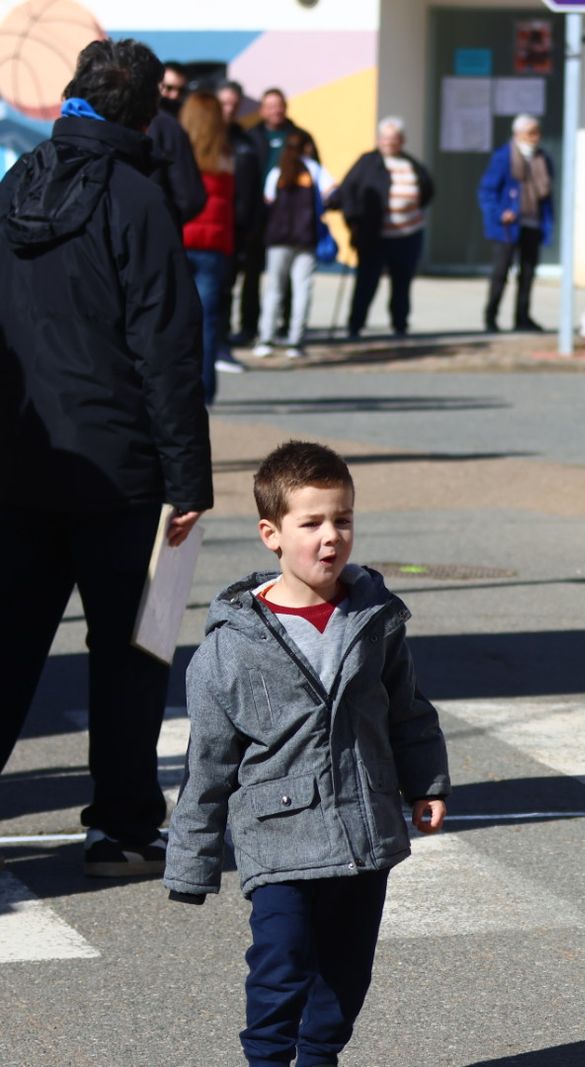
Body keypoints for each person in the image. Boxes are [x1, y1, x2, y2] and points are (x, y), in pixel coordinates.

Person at [164, 440, 450, 1067]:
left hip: (363, 831)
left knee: (346, 978)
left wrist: (426, 784)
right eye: (311, 523)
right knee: (282, 965)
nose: (331, 537)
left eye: (342, 520)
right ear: (271, 533)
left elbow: (407, 710)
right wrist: (192, 862)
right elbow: (207, 764)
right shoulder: (229, 646)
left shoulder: (373, 618)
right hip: (280, 839)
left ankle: (319, 1059)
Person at [0, 37, 211, 877]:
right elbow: (167, 352)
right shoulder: (139, 197)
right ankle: (122, 825)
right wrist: (191, 483)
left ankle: (122, 818)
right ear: (148, 113)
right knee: (138, 651)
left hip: (20, 467)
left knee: (9, 646)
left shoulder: (14, 185)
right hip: (129, 476)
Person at [330, 116, 434, 338]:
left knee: (402, 284)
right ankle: (355, 325)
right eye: (385, 138)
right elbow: (348, 191)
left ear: (402, 140)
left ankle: (400, 325)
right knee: (367, 282)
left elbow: (427, 190)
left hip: (408, 234)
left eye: (393, 138)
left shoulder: (411, 163)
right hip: (374, 235)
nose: (389, 142)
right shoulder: (367, 162)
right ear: (379, 139)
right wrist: (353, 221)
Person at [241, 88, 319, 343]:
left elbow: (317, 174)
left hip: (292, 218)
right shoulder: (252, 137)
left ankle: (287, 327)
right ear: (262, 110)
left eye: (279, 105)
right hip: (259, 213)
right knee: (253, 274)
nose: (275, 110)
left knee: (289, 278)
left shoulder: (300, 136)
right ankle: (250, 326)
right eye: (270, 106)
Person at [179, 90, 243, 397]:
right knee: (207, 323)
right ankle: (204, 391)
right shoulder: (226, 155)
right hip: (214, 246)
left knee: (175, 320)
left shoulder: (178, 152)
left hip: (181, 240)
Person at [251, 130, 335, 359]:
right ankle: (295, 341)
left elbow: (267, 202)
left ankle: (266, 338)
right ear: (307, 147)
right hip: (305, 238)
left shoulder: (277, 172)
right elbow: (332, 194)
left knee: (274, 290)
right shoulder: (314, 170)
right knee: (302, 289)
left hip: (277, 239)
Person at [477, 113, 553, 332]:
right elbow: (487, 191)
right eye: (531, 133)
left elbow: (546, 194)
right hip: (508, 227)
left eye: (537, 132)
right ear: (517, 134)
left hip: (533, 223)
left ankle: (522, 317)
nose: (535, 137)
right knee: (500, 273)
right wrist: (500, 213)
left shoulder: (542, 158)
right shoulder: (503, 157)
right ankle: (490, 317)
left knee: (527, 274)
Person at [217, 80, 265, 347]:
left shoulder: (246, 140)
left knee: (237, 285)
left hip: (242, 227)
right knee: (217, 289)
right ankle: (217, 339)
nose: (229, 109)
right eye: (224, 103)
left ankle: (238, 333)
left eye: (234, 104)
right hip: (213, 228)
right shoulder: (201, 139)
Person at [147, 59, 206, 226]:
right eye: (169, 88)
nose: (174, 96)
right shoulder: (168, 126)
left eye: (181, 90)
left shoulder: (172, 125)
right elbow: (191, 197)